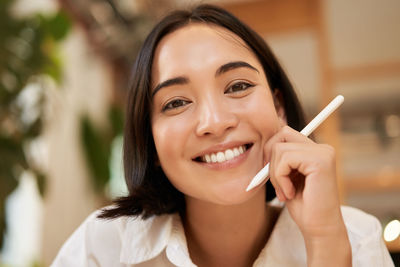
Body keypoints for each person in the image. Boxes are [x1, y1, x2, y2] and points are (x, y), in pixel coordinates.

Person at [51, 4, 394, 267]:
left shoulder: (356, 238)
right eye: (176, 103)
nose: (214, 122)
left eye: (238, 86)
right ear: (150, 140)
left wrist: (324, 241)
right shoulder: (104, 247)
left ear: (279, 109)